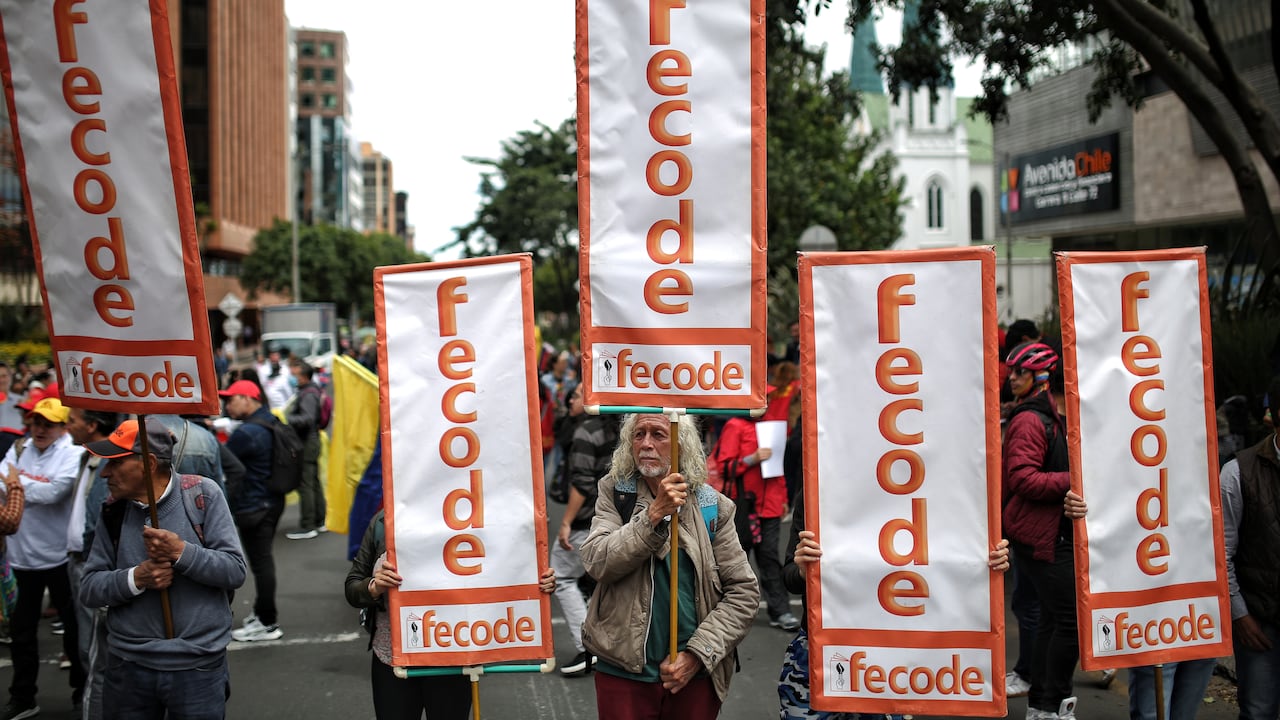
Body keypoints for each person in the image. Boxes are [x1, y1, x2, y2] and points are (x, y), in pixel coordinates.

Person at [580, 413, 759, 719]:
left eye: (658, 435)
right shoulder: (615, 491)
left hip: (693, 678)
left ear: (682, 445)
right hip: (623, 673)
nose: (646, 444)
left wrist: (697, 655)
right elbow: (597, 562)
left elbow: (743, 593)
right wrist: (652, 516)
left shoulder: (712, 506)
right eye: (638, 435)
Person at [780, 486, 1012, 719]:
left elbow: (953, 565)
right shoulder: (819, 489)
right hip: (823, 652)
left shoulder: (933, 494)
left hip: (889, 661)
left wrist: (986, 564)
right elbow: (790, 577)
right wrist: (803, 570)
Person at [79, 418, 246, 720]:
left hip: (197, 667)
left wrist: (181, 552)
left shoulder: (203, 495)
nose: (105, 473)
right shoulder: (113, 510)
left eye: (115, 463)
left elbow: (234, 571)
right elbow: (89, 588)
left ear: (149, 463)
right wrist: (136, 578)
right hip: (129, 665)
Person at [345, 509, 554, 719]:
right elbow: (353, 586)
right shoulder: (383, 522)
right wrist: (373, 587)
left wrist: (537, 584)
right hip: (392, 662)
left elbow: (504, 572)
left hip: (452, 660)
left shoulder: (476, 522)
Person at [1060, 491, 1214, 720]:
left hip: (1201, 613)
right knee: (1150, 712)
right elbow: (1106, 522)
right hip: (1152, 611)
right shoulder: (1128, 475)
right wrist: (1083, 510)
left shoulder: (1216, 474)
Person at [1001, 342, 1078, 720]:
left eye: (1020, 372)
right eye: (1012, 371)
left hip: (1056, 532)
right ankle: (1055, 702)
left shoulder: (1059, 415)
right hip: (1038, 536)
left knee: (1052, 617)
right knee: (1072, 619)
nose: (1012, 378)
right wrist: (1078, 479)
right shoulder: (1032, 420)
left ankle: (1044, 707)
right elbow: (1022, 479)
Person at [1, 398, 85, 720]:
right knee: (21, 634)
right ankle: (23, 697)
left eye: (47, 423)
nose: (39, 429)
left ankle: (82, 692)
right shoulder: (20, 448)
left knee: (76, 631)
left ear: (63, 427)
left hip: (60, 558)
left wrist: (14, 484)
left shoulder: (73, 454)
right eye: (36, 421)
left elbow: (56, 494)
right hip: (20, 558)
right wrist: (29, 485)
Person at [1221, 374, 1280, 720]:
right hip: (1260, 621)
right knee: (1258, 712)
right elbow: (1222, 553)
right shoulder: (1237, 473)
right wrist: (1240, 615)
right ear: (1273, 416)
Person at [553, 391, 617, 677]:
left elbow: (582, 483)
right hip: (620, 519)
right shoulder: (623, 426)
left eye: (578, 395)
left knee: (561, 575)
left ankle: (586, 647)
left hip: (587, 522)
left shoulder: (588, 431)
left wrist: (565, 522)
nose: (570, 399)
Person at [716, 415, 799, 632]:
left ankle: (780, 611)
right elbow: (724, 467)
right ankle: (726, 614)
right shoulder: (734, 425)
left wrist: (782, 500)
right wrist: (752, 459)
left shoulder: (770, 425)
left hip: (769, 505)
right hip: (744, 506)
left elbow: (778, 466)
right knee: (735, 560)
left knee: (770, 559)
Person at [62, 407, 119, 720]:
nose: (67, 426)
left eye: (72, 421)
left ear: (93, 425)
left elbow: (102, 516)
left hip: (90, 563)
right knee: (88, 647)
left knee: (95, 651)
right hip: (77, 560)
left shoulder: (108, 461)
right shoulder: (86, 457)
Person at [219, 379, 285, 642]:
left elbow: (223, 460)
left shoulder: (246, 433)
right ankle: (262, 614)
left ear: (248, 398)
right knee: (263, 561)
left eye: (231, 399)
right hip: (271, 500)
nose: (227, 405)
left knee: (261, 563)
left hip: (254, 505)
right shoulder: (269, 420)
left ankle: (267, 621)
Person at [285, 361, 325, 540]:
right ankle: (319, 520)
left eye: (295, 374)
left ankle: (309, 524)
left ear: (303, 376)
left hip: (307, 442)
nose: (293, 377)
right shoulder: (312, 390)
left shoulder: (308, 394)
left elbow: (307, 418)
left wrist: (288, 418)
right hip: (311, 441)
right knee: (313, 482)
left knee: (306, 483)